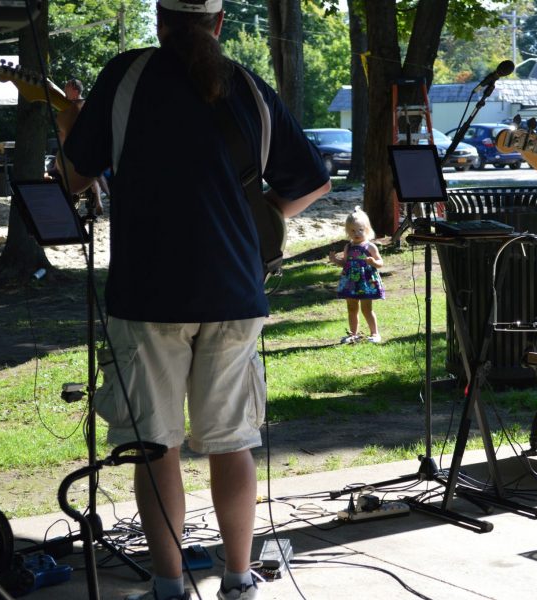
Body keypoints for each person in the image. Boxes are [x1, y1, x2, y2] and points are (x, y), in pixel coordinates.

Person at [54, 1, 330, 599]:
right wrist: (257, 220)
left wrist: (69, 122)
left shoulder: (127, 76)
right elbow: (312, 182)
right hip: (235, 290)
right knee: (232, 443)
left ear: (159, 19)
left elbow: (73, 178)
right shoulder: (250, 86)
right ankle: (238, 577)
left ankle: (169, 586)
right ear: (220, 23)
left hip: (147, 292)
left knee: (157, 447)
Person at [328, 206, 385, 344]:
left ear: (367, 229)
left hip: (365, 282)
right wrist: (336, 260)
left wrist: (373, 262)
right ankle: (353, 334)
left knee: (367, 309)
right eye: (352, 230)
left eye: (360, 229)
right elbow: (346, 263)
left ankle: (375, 333)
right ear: (348, 231)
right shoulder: (348, 247)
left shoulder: (370, 247)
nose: (357, 233)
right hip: (351, 282)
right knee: (352, 308)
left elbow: (380, 262)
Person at [62, 78, 106, 215]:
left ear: (75, 90)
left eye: (67, 88)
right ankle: (100, 199)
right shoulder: (87, 105)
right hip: (85, 147)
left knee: (88, 169)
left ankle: (99, 200)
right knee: (93, 172)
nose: (64, 91)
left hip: (78, 148)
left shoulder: (75, 107)